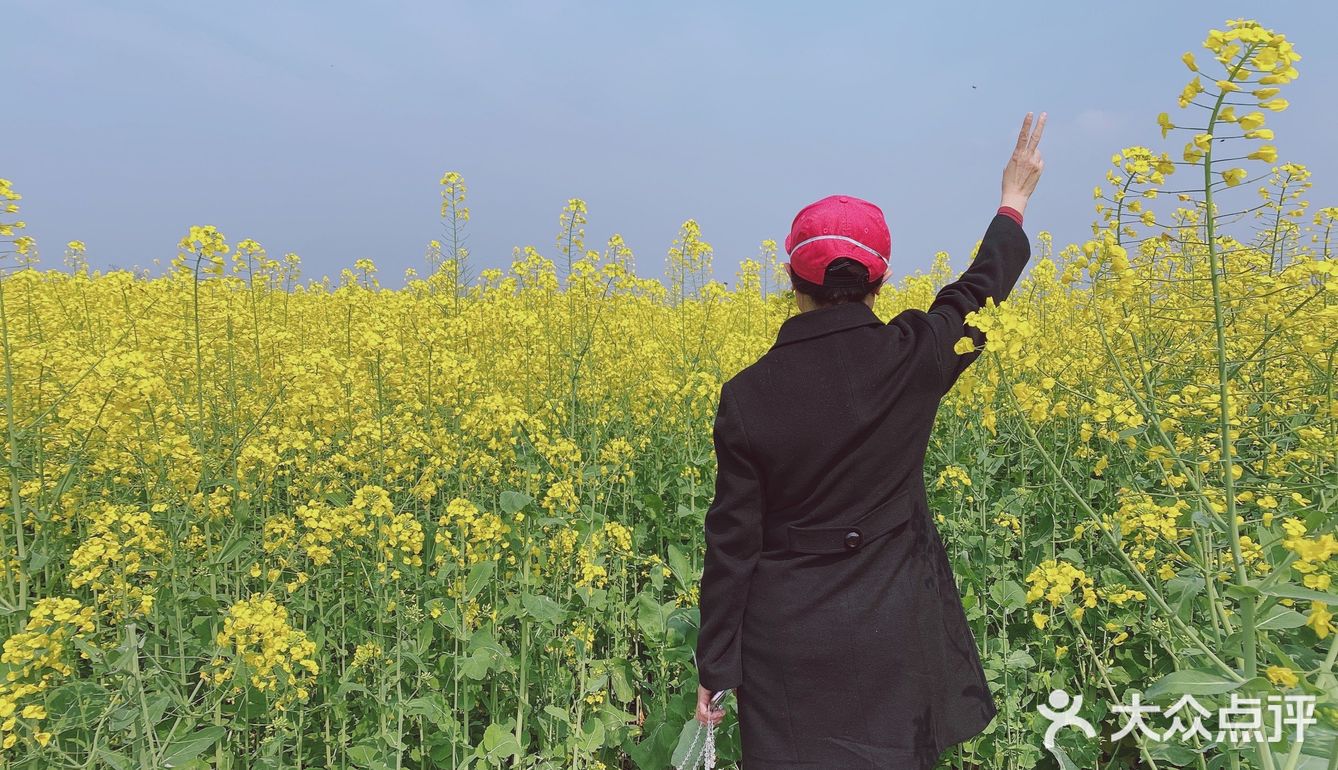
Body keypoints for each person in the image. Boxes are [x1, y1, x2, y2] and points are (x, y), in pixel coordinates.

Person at [693, 112, 1046, 768]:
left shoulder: (746, 396)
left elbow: (732, 544)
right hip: (892, 627)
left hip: (786, 638)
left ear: (792, 278)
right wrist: (1013, 202)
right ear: (879, 280)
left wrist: (716, 663)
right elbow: (976, 296)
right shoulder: (913, 356)